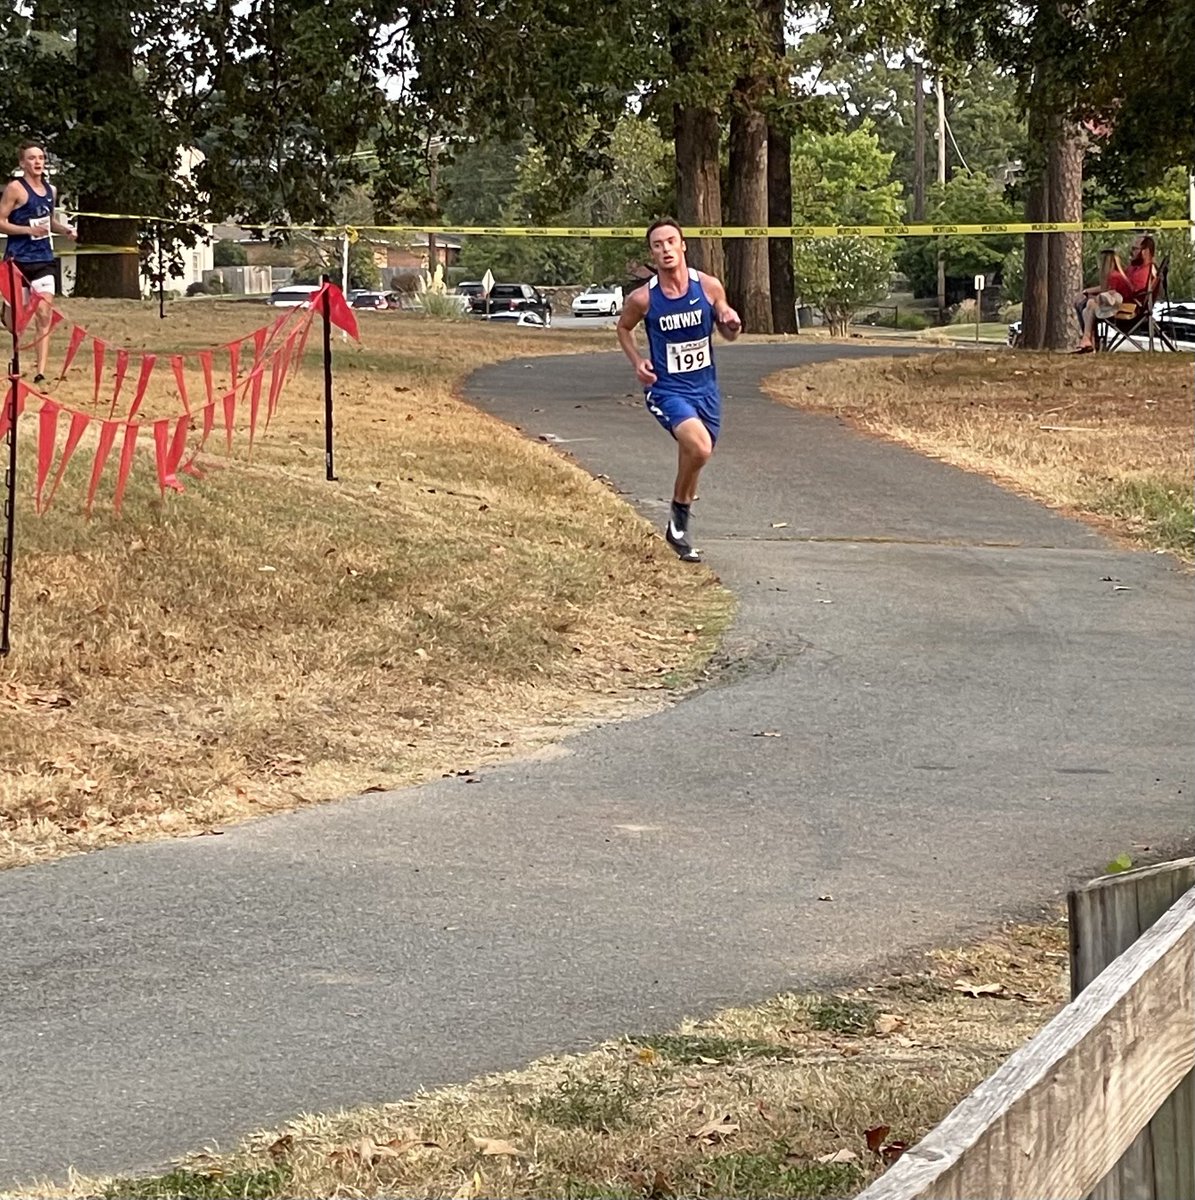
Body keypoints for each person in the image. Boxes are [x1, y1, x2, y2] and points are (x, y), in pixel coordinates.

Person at [616, 218, 741, 563]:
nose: (666, 249)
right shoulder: (643, 298)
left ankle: (676, 528)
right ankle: (680, 513)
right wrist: (637, 361)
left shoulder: (709, 286)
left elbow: (728, 330)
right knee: (699, 448)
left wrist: (730, 321)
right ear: (652, 254)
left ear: (683, 246)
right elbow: (624, 329)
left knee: (695, 454)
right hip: (666, 390)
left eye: (671, 241)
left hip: (706, 390)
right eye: (658, 245)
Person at [0, 141, 77, 383]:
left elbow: (48, 221)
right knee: (16, 323)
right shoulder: (15, 189)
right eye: (32, 158)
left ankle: (40, 373)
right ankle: (13, 347)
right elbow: (1, 222)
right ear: (22, 163)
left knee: (44, 313)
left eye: (41, 158)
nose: (38, 162)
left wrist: (65, 230)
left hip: (43, 259)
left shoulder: (50, 190)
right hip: (17, 260)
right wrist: (27, 230)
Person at [1072, 234, 1155, 354]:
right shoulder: (1134, 268)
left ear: (1145, 251)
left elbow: (1131, 292)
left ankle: (1089, 341)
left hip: (1128, 308)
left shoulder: (1146, 271)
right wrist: (1087, 292)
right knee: (1085, 304)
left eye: (1135, 249)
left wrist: (1100, 294)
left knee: (1089, 304)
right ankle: (1089, 341)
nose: (1131, 252)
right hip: (1119, 301)